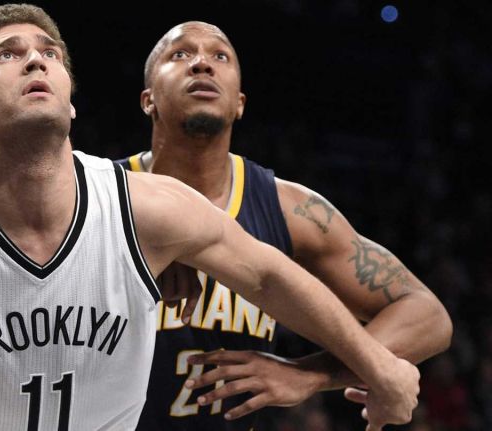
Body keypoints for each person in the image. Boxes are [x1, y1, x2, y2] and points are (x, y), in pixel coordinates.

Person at [0, 5, 420, 431]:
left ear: (71, 101)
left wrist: (368, 365)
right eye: (6, 55)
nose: (34, 57)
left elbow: (269, 275)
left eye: (49, 52)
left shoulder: (145, 209)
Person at [117, 21, 452, 430]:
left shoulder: (290, 209)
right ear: (148, 99)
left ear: (239, 103)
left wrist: (310, 374)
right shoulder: (103, 196)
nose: (202, 64)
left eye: (220, 56)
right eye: (180, 54)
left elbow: (428, 316)